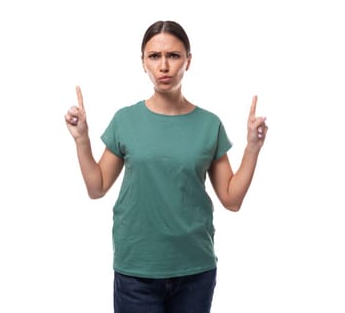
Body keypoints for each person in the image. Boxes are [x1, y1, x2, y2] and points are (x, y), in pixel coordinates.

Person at [65, 20, 268, 313]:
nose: (163, 66)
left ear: (188, 60)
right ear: (143, 62)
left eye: (173, 56)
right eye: (154, 56)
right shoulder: (125, 120)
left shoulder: (209, 125)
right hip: (137, 270)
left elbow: (232, 199)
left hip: (194, 270)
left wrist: (252, 147)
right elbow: (96, 187)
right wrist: (82, 139)